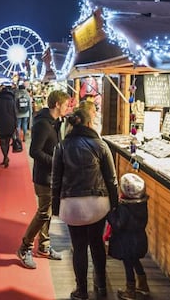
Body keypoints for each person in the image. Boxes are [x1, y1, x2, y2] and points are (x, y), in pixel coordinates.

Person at [52, 107, 119, 300]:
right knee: (97, 243)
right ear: (90, 123)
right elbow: (111, 179)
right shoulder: (100, 145)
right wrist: (114, 205)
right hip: (98, 203)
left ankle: (81, 290)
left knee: (78, 246)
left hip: (72, 205)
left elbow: (56, 180)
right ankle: (101, 285)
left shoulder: (61, 146)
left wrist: (56, 207)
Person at [17, 90, 70, 269]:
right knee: (43, 213)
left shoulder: (54, 122)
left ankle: (44, 246)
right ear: (57, 105)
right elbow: (35, 151)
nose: (67, 108)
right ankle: (25, 247)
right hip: (44, 176)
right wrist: (55, 162)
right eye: (65, 105)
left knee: (48, 212)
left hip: (52, 176)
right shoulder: (43, 124)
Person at [107, 173, 150, 300]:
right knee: (136, 261)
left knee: (128, 264)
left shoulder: (125, 207)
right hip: (140, 239)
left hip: (126, 241)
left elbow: (118, 225)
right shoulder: (142, 205)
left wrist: (110, 215)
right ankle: (143, 285)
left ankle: (130, 291)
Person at [0, 84, 17, 167]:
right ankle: (5, 157)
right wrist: (16, 124)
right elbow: (15, 113)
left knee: (2, 142)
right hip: (11, 122)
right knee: (7, 141)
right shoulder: (12, 101)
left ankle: (5, 156)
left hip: (2, 123)